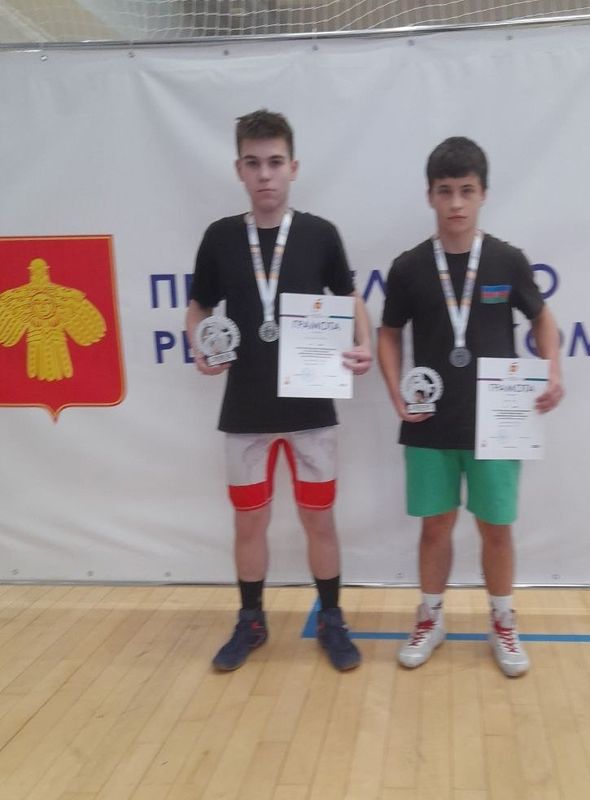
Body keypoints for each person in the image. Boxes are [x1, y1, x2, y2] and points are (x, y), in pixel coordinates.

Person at [187, 110, 372, 672]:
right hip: (245, 411)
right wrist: (200, 345)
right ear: (238, 169)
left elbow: (350, 298)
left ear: (293, 167)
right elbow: (198, 307)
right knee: (249, 523)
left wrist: (363, 342)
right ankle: (251, 620)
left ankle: (332, 617)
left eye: (274, 162)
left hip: (311, 408)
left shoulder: (320, 234)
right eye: (253, 163)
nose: (264, 174)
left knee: (320, 519)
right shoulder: (220, 237)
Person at [377, 137, 563, 677]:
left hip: (498, 424)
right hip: (430, 420)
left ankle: (502, 620)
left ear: (483, 194)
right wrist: (394, 389)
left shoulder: (506, 259)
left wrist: (553, 369)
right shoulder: (410, 266)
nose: (456, 203)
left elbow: (542, 318)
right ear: (429, 196)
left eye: (466, 190)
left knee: (496, 528)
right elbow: (388, 333)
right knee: (434, 527)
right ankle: (430, 617)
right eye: (445, 191)